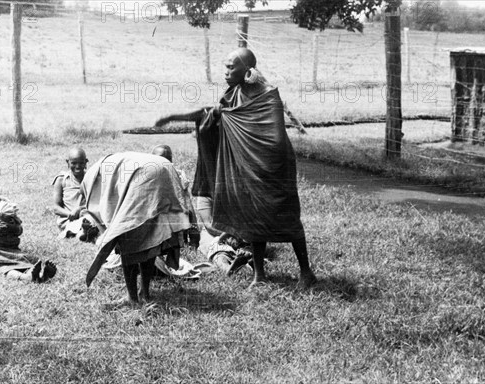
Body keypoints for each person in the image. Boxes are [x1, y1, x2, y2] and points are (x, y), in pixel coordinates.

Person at [160, 48, 317, 288]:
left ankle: (306, 273)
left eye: (231, 67)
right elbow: (209, 114)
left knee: (288, 217)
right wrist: (173, 116)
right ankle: (260, 274)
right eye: (225, 66)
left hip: (273, 168)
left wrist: (254, 156)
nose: (226, 72)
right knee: (251, 215)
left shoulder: (267, 96)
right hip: (245, 168)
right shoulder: (232, 95)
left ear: (248, 70)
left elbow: (274, 138)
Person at [83, 152, 193, 304]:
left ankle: (132, 297)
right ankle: (145, 293)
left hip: (147, 176)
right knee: (151, 239)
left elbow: (106, 209)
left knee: (128, 240)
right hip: (165, 168)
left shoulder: (96, 177)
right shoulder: (114, 163)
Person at [52, 147, 88, 239]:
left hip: (86, 215)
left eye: (81, 163)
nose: (77, 166)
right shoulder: (61, 180)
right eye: (74, 163)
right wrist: (70, 214)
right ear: (67, 162)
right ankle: (79, 231)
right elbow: (56, 208)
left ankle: (82, 231)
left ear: (86, 162)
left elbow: (97, 204)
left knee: (91, 220)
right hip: (68, 219)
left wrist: (79, 209)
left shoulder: (91, 179)